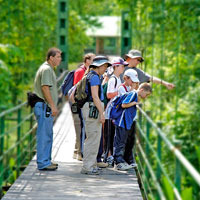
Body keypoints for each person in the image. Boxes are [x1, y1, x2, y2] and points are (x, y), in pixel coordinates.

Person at [80, 56, 111, 175]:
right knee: (92, 138)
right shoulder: (94, 78)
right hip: (93, 109)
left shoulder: (91, 76)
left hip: (92, 108)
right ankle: (87, 166)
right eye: (104, 67)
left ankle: (91, 164)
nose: (105, 69)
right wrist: (102, 113)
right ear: (99, 66)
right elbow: (95, 96)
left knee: (95, 137)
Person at [34, 47, 62, 170]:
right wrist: (52, 105)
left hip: (45, 106)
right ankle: (43, 163)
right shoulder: (46, 69)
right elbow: (45, 88)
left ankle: (46, 160)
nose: (60, 59)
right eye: (58, 57)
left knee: (48, 134)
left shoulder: (49, 69)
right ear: (51, 58)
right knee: (44, 135)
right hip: (44, 106)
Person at [113, 83, 152, 171]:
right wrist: (134, 103)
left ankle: (122, 160)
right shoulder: (133, 94)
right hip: (122, 121)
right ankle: (118, 163)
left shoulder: (135, 95)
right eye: (146, 94)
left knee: (123, 141)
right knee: (120, 142)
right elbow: (124, 104)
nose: (146, 97)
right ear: (141, 90)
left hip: (126, 122)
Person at [103, 57, 128, 165]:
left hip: (114, 111)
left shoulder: (118, 79)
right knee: (109, 134)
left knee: (113, 134)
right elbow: (109, 95)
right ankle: (108, 156)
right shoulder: (113, 79)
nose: (123, 68)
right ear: (116, 67)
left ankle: (110, 156)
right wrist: (121, 92)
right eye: (122, 66)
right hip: (110, 111)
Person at [71, 53, 95, 161]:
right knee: (79, 127)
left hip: (82, 102)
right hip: (79, 102)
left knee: (81, 127)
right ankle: (78, 152)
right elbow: (76, 87)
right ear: (87, 60)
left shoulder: (88, 71)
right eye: (93, 60)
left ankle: (77, 151)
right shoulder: (80, 71)